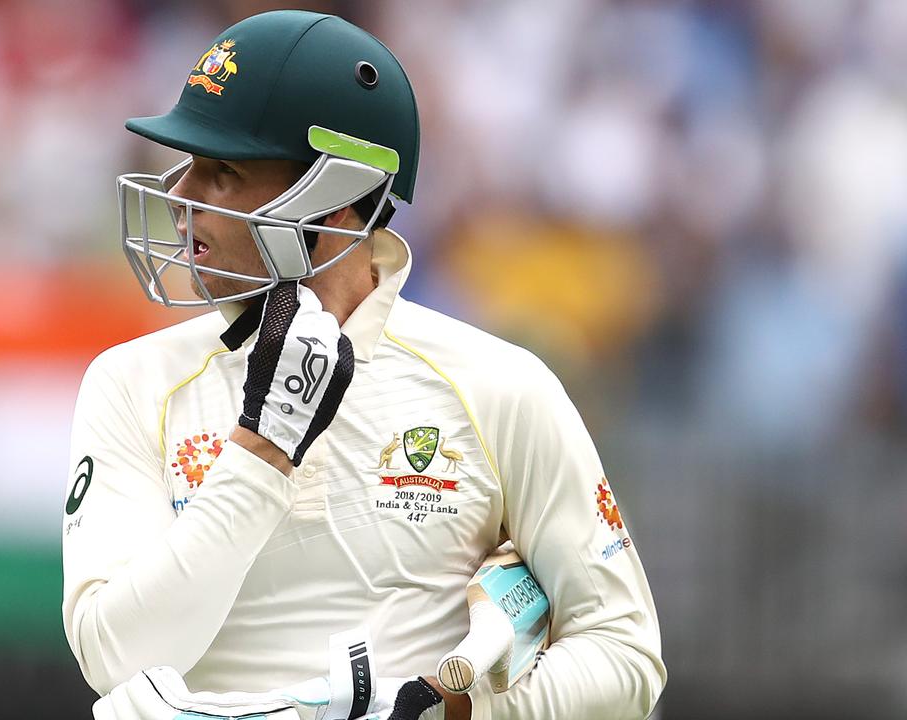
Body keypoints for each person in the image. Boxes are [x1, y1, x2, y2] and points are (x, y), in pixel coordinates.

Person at [62, 10, 665, 719]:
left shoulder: (499, 385)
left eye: (222, 172)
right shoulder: (133, 383)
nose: (183, 200)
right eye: (189, 165)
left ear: (338, 196)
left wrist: (457, 715)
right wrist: (260, 455)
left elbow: (625, 654)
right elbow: (115, 659)